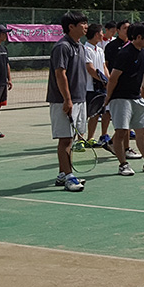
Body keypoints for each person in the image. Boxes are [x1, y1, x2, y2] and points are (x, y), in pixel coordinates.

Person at [102, 22, 144, 177]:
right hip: (120, 99)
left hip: (136, 98)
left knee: (142, 132)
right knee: (121, 133)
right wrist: (108, 97)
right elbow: (113, 78)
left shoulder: (142, 51)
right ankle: (123, 165)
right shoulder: (125, 53)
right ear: (139, 37)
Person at [46, 12, 89, 192]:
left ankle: (63, 174)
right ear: (71, 26)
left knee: (70, 138)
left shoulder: (80, 46)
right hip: (63, 100)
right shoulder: (62, 47)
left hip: (79, 99)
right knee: (65, 140)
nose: (86, 26)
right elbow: (60, 73)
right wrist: (67, 99)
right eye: (83, 23)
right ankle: (69, 177)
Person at [82, 23, 111, 147]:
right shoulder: (85, 49)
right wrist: (103, 81)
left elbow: (104, 67)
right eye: (100, 33)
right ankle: (82, 139)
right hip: (89, 88)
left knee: (100, 113)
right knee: (88, 114)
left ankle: (96, 137)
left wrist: (109, 81)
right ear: (95, 35)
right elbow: (90, 69)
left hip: (102, 88)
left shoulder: (100, 49)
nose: (102, 35)